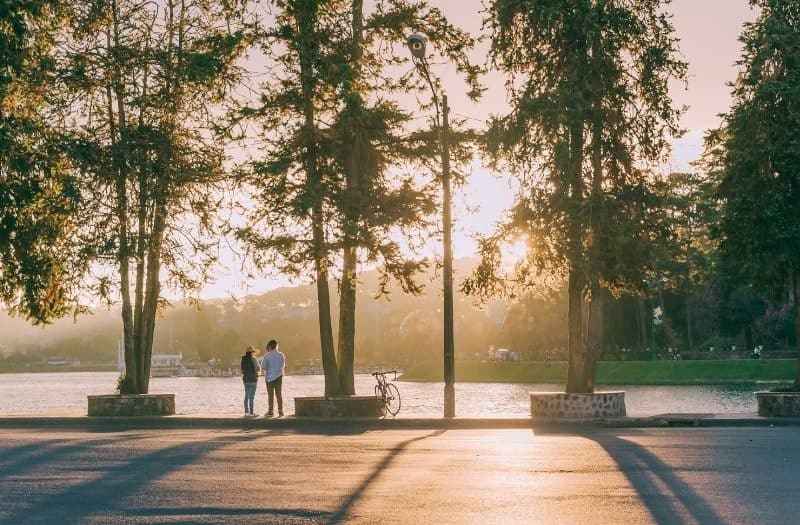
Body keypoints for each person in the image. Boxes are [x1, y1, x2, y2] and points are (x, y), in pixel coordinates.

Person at [261, 339, 285, 417]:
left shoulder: (267, 355)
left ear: (270, 346)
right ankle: (280, 411)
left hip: (269, 378)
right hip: (279, 376)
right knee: (279, 394)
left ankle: (271, 411)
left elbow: (263, 367)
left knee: (270, 395)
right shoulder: (281, 355)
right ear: (276, 346)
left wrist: (269, 369)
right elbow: (282, 366)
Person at [240, 346, 260, 417]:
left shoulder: (243, 359)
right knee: (251, 397)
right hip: (253, 380)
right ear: (252, 352)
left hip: (246, 380)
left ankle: (246, 412)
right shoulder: (254, 359)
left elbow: (242, 370)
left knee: (246, 396)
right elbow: (258, 369)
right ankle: (251, 413)